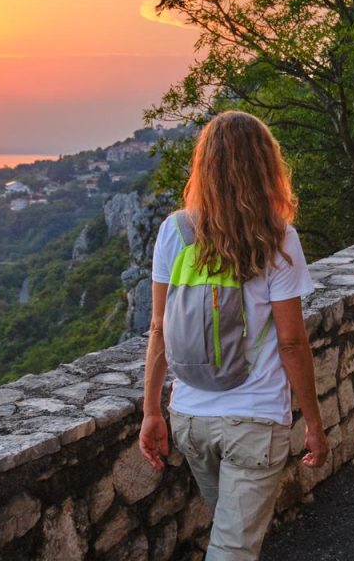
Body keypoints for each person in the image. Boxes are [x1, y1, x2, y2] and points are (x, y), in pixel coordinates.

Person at [139, 110, 329, 561]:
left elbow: (158, 328)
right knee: (233, 548)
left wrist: (151, 411)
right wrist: (314, 422)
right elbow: (291, 342)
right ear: (267, 166)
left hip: (190, 416)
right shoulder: (279, 237)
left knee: (231, 540)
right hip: (255, 420)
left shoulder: (175, 231)